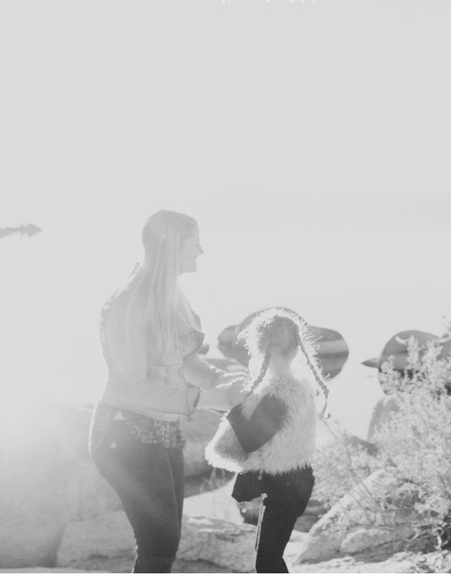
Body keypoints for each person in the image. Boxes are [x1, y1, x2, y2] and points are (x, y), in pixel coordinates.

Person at [90, 210, 231, 573]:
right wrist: (206, 400)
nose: (202, 250)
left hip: (165, 431)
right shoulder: (129, 303)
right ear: (170, 246)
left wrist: (223, 383)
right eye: (194, 241)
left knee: (165, 541)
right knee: (157, 542)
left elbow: (185, 361)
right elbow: (131, 387)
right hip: (124, 431)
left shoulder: (174, 296)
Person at [207, 309, 327, 574]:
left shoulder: (277, 392)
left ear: (260, 349)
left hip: (284, 485)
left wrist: (235, 407)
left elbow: (250, 440)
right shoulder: (301, 385)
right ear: (296, 348)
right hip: (295, 479)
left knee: (267, 560)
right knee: (270, 556)